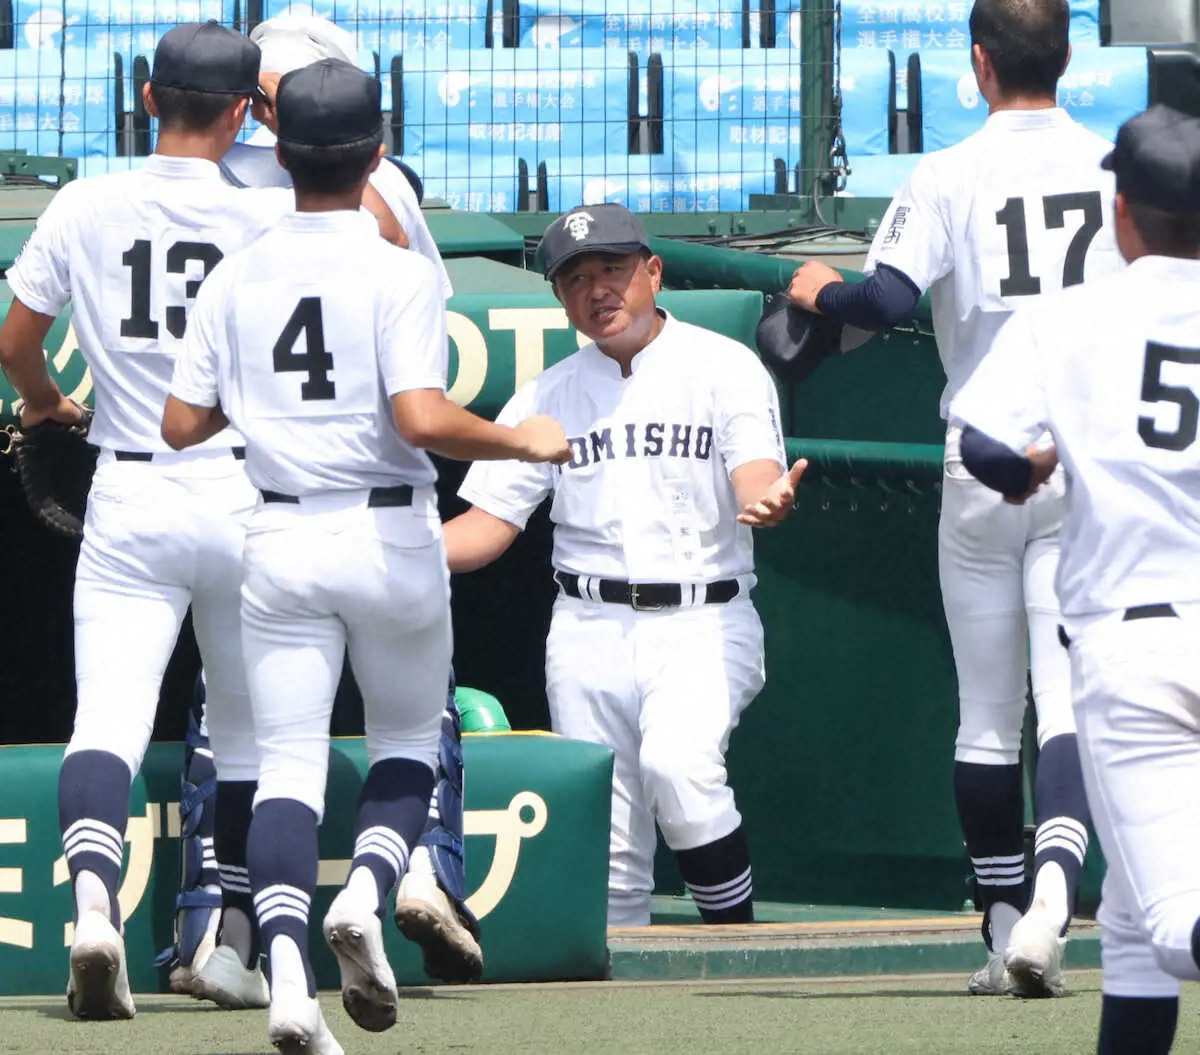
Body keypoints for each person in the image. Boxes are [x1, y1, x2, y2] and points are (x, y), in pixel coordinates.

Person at [161, 59, 569, 1052]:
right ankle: (371, 890)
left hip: (279, 532)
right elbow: (421, 416)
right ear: (378, 153)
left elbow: (180, 423)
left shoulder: (239, 270)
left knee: (286, 763)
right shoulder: (399, 267)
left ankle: (290, 977)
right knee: (407, 746)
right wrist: (523, 440)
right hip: (387, 532)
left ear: (280, 149)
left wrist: (262, 403)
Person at [786, 0, 1122, 996]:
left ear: (977, 63)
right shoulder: (1113, 170)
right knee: (1066, 703)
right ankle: (1057, 905)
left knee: (986, 715)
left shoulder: (947, 172)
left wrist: (811, 291)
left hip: (977, 455)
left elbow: (881, 302)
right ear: (1067, 57)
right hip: (1083, 458)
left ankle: (1004, 921)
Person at [179, 10, 485, 997]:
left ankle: (242, 934)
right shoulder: (346, 187)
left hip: (260, 496)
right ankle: (405, 869)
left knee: (253, 736)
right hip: (364, 501)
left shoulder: (251, 190)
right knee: (392, 716)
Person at [0, 22, 295, 1020]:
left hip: (130, 483)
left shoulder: (86, 201)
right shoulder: (272, 215)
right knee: (252, 738)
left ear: (146, 96)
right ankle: (236, 946)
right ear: (245, 110)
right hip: (242, 489)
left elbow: (16, 339)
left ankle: (94, 908)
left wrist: (43, 401)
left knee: (108, 723)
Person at [442, 203, 806, 928]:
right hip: (587, 626)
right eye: (575, 278)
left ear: (653, 271)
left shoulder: (722, 366)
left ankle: (734, 945)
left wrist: (770, 501)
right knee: (605, 846)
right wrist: (391, 554)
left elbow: (757, 478)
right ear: (559, 298)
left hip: (702, 615)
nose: (597, 289)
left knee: (681, 769)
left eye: (612, 269)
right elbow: (489, 524)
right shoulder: (547, 393)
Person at [951, 103, 1200, 1055]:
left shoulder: (1069, 314)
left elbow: (982, 443)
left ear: (1122, 209)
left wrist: (1028, 471)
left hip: (1133, 648)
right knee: (1132, 929)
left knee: (1176, 929)